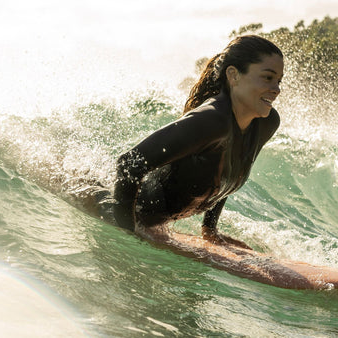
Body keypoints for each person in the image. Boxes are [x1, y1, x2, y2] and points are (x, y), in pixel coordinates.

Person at [112, 35, 283, 246]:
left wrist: (210, 230)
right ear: (233, 75)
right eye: (268, 78)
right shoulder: (211, 120)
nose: (276, 89)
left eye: (279, 80)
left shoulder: (265, 123)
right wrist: (126, 234)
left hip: (150, 223)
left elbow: (228, 170)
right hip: (113, 209)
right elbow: (129, 163)